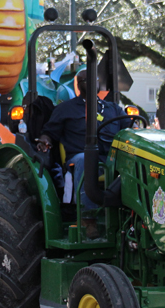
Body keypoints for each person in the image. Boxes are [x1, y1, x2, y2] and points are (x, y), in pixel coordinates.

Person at [36, 70, 130, 235]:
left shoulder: (112, 109)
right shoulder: (66, 109)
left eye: (94, 79)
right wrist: (44, 142)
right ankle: (88, 219)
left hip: (112, 160)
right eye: (86, 80)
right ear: (79, 85)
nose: (92, 82)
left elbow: (130, 129)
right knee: (87, 160)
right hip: (80, 159)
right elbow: (49, 133)